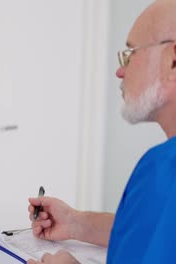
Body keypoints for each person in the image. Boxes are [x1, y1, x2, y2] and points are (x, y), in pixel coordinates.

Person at [27, 1, 176, 263]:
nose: (120, 71)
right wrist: (76, 222)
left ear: (173, 61)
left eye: (130, 53)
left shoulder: (165, 167)